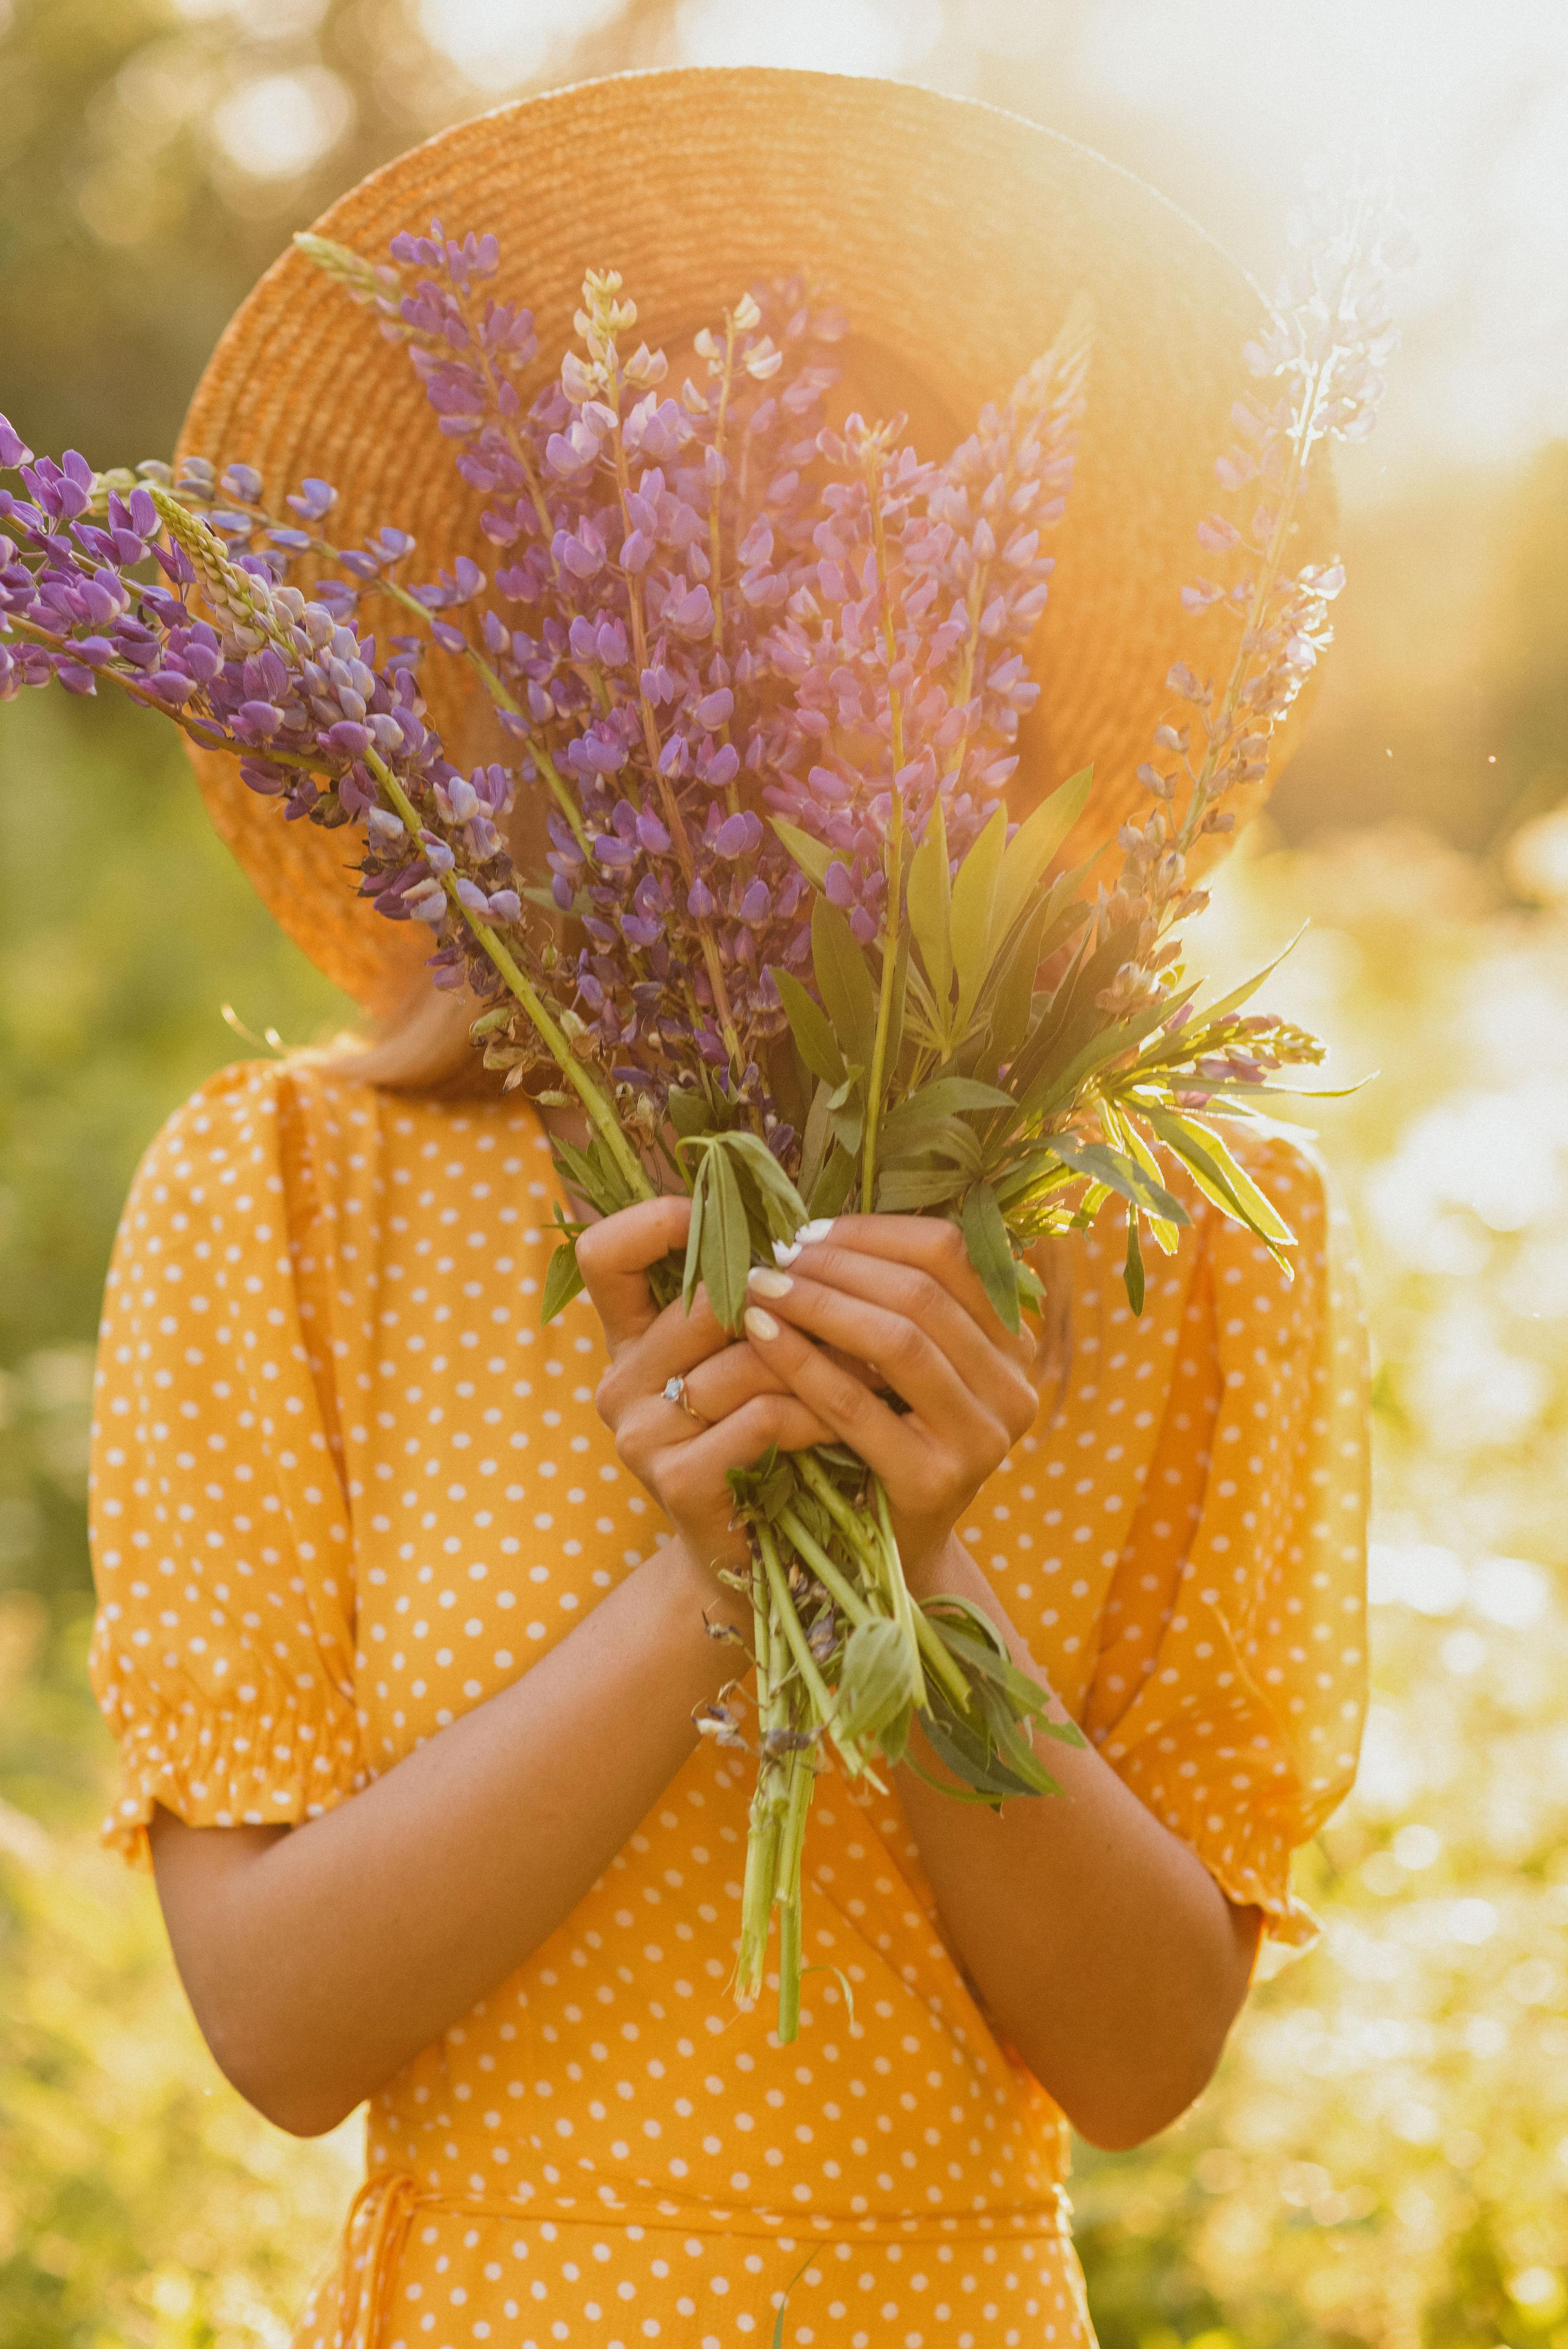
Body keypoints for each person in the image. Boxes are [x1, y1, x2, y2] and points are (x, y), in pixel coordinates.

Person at [86, 67, 1370, 2349]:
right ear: (551, 669)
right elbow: (277, 2026)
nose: (775, 672)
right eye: (686, 596)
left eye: (866, 576)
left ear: (989, 669)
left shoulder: (1186, 1226)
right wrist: (713, 1568)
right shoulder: (291, 1187)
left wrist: (914, 1563)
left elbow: (1143, 2058)